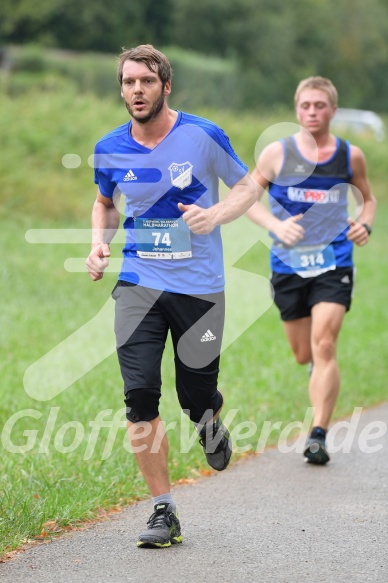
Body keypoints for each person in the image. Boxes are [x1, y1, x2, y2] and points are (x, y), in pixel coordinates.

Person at [85, 44, 257, 548]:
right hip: (139, 283)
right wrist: (99, 243)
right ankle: (164, 509)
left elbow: (247, 187)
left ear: (165, 86)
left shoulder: (202, 135)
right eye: (128, 82)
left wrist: (215, 215)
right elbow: (104, 204)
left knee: (194, 394)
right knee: (139, 397)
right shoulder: (110, 146)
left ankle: (208, 417)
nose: (135, 90)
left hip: (200, 289)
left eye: (146, 81)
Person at [246, 76, 376, 465]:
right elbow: (246, 199)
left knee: (325, 344)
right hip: (288, 264)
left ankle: (318, 433)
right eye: (306, 105)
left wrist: (363, 224)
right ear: (296, 109)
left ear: (333, 110)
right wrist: (275, 226)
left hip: (334, 262)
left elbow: (367, 200)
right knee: (304, 354)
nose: (312, 112)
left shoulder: (350, 156)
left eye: (320, 105)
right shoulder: (276, 154)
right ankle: (316, 377)